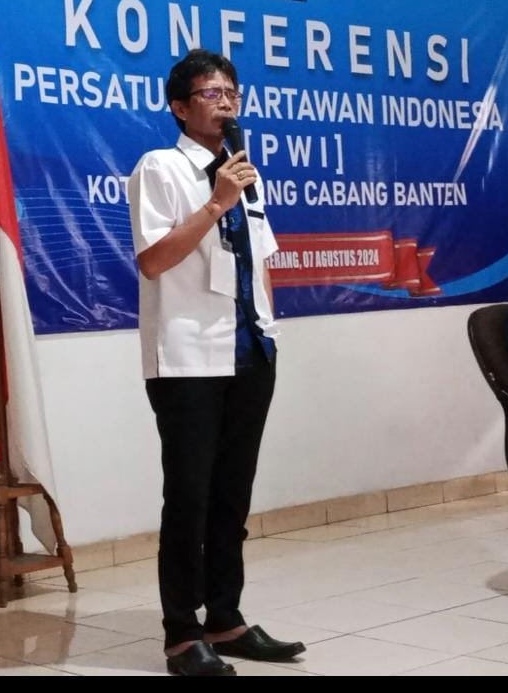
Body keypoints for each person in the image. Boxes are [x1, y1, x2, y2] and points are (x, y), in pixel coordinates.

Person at [128, 49, 305, 676]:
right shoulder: (161, 168)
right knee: (189, 497)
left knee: (232, 496)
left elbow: (260, 263)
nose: (226, 102)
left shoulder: (242, 172)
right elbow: (153, 261)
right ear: (180, 107)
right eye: (211, 93)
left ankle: (225, 618)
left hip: (250, 352)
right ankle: (182, 635)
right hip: (188, 358)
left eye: (232, 91)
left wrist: (270, 331)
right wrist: (216, 203)